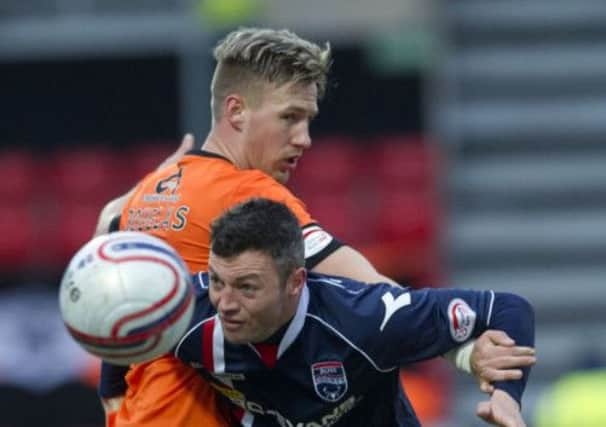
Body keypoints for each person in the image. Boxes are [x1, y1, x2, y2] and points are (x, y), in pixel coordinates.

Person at [96, 27, 536, 426]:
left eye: (308, 120)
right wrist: (463, 352)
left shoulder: (144, 196)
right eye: (289, 117)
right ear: (237, 112)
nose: (304, 138)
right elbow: (379, 293)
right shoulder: (247, 193)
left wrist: (112, 394)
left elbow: (116, 314)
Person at [100, 198, 535, 426]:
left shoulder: (366, 320)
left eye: (247, 287)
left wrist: (505, 399)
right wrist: (112, 394)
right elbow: (126, 322)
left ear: (295, 282)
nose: (225, 303)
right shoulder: (191, 310)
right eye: (217, 280)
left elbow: (508, 308)